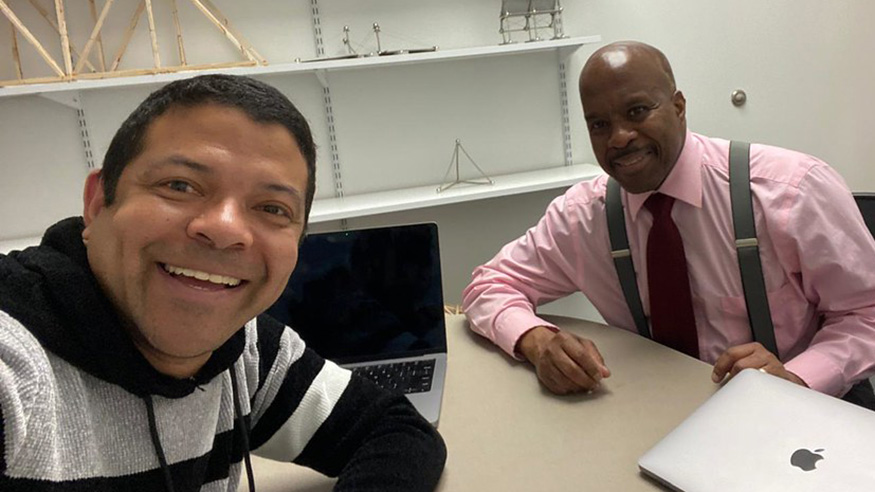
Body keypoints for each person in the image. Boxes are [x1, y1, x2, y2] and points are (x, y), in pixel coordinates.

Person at [0, 74, 446, 491]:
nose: (226, 229)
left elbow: (398, 431)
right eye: (180, 185)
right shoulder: (17, 369)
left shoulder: (246, 350)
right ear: (98, 204)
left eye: (272, 208)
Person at [462, 41, 875, 408]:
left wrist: (797, 378)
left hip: (807, 411)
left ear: (678, 107)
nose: (619, 137)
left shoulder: (791, 191)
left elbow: (866, 313)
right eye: (599, 124)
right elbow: (489, 285)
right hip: (659, 415)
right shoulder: (583, 217)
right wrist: (536, 340)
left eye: (637, 111)